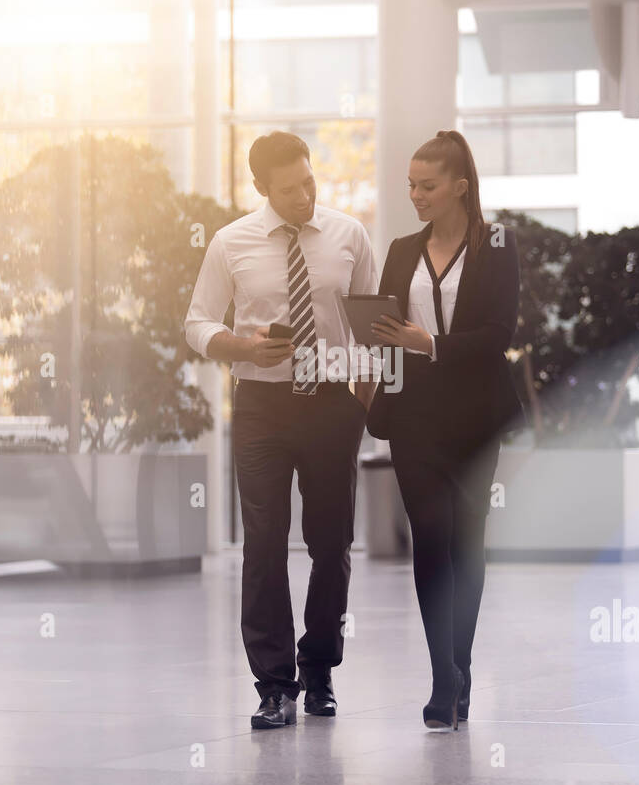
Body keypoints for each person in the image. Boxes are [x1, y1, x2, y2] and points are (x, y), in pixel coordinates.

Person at [184, 131, 378, 730]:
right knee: (263, 545)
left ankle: (318, 672)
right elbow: (196, 322)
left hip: (330, 406)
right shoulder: (231, 242)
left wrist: (362, 395)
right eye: (289, 188)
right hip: (262, 407)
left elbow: (373, 323)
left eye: (309, 182)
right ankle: (273, 685)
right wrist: (239, 346)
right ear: (262, 187)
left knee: (331, 544)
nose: (303, 196)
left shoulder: (349, 235)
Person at [366, 129, 523, 730]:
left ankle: (462, 663)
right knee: (430, 535)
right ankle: (443, 677)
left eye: (426, 185)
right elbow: (387, 326)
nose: (415, 194)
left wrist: (426, 342)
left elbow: (497, 336)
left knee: (466, 541)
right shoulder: (404, 248)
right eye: (410, 184)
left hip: (476, 417)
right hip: (413, 416)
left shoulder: (497, 244)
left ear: (460, 186)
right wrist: (377, 341)